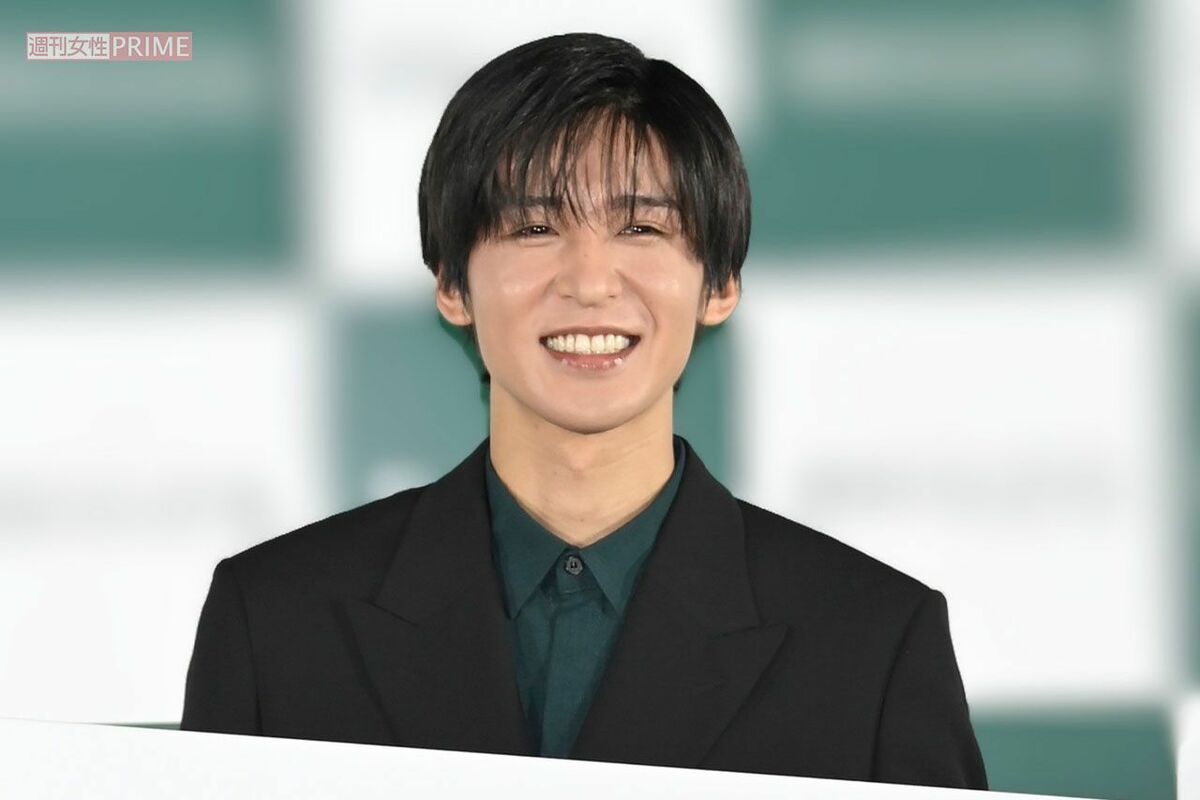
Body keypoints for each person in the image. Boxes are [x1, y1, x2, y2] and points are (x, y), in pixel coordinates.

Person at [181, 32, 988, 790]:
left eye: (641, 226)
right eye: (535, 226)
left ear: (718, 286)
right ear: (453, 285)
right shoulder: (274, 621)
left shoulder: (874, 643)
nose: (591, 281)